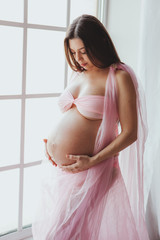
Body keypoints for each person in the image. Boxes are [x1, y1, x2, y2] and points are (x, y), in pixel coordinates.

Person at [32, 14, 149, 240]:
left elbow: (130, 133)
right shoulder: (79, 74)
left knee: (61, 234)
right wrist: (52, 143)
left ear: (99, 43)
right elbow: (75, 116)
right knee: (68, 233)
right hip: (66, 173)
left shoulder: (119, 76)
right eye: (74, 53)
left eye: (83, 51)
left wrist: (92, 161)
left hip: (93, 170)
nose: (79, 58)